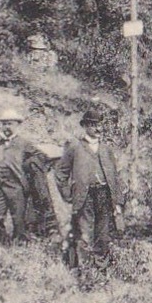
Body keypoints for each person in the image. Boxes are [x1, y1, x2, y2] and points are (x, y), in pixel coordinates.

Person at [56, 104, 126, 272]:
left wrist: (117, 200)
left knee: (103, 234)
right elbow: (60, 172)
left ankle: (101, 269)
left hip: (104, 195)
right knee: (85, 232)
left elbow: (115, 176)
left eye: (100, 124)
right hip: (85, 196)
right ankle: (86, 270)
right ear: (85, 126)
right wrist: (68, 194)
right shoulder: (74, 147)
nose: (97, 128)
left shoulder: (106, 149)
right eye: (93, 124)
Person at [0, 105, 34, 244]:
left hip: (17, 188)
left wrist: (28, 182)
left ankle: (20, 245)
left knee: (18, 219)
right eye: (4, 124)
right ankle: (2, 242)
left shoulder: (25, 144)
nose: (7, 127)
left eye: (10, 123)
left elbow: (39, 161)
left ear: (17, 125)